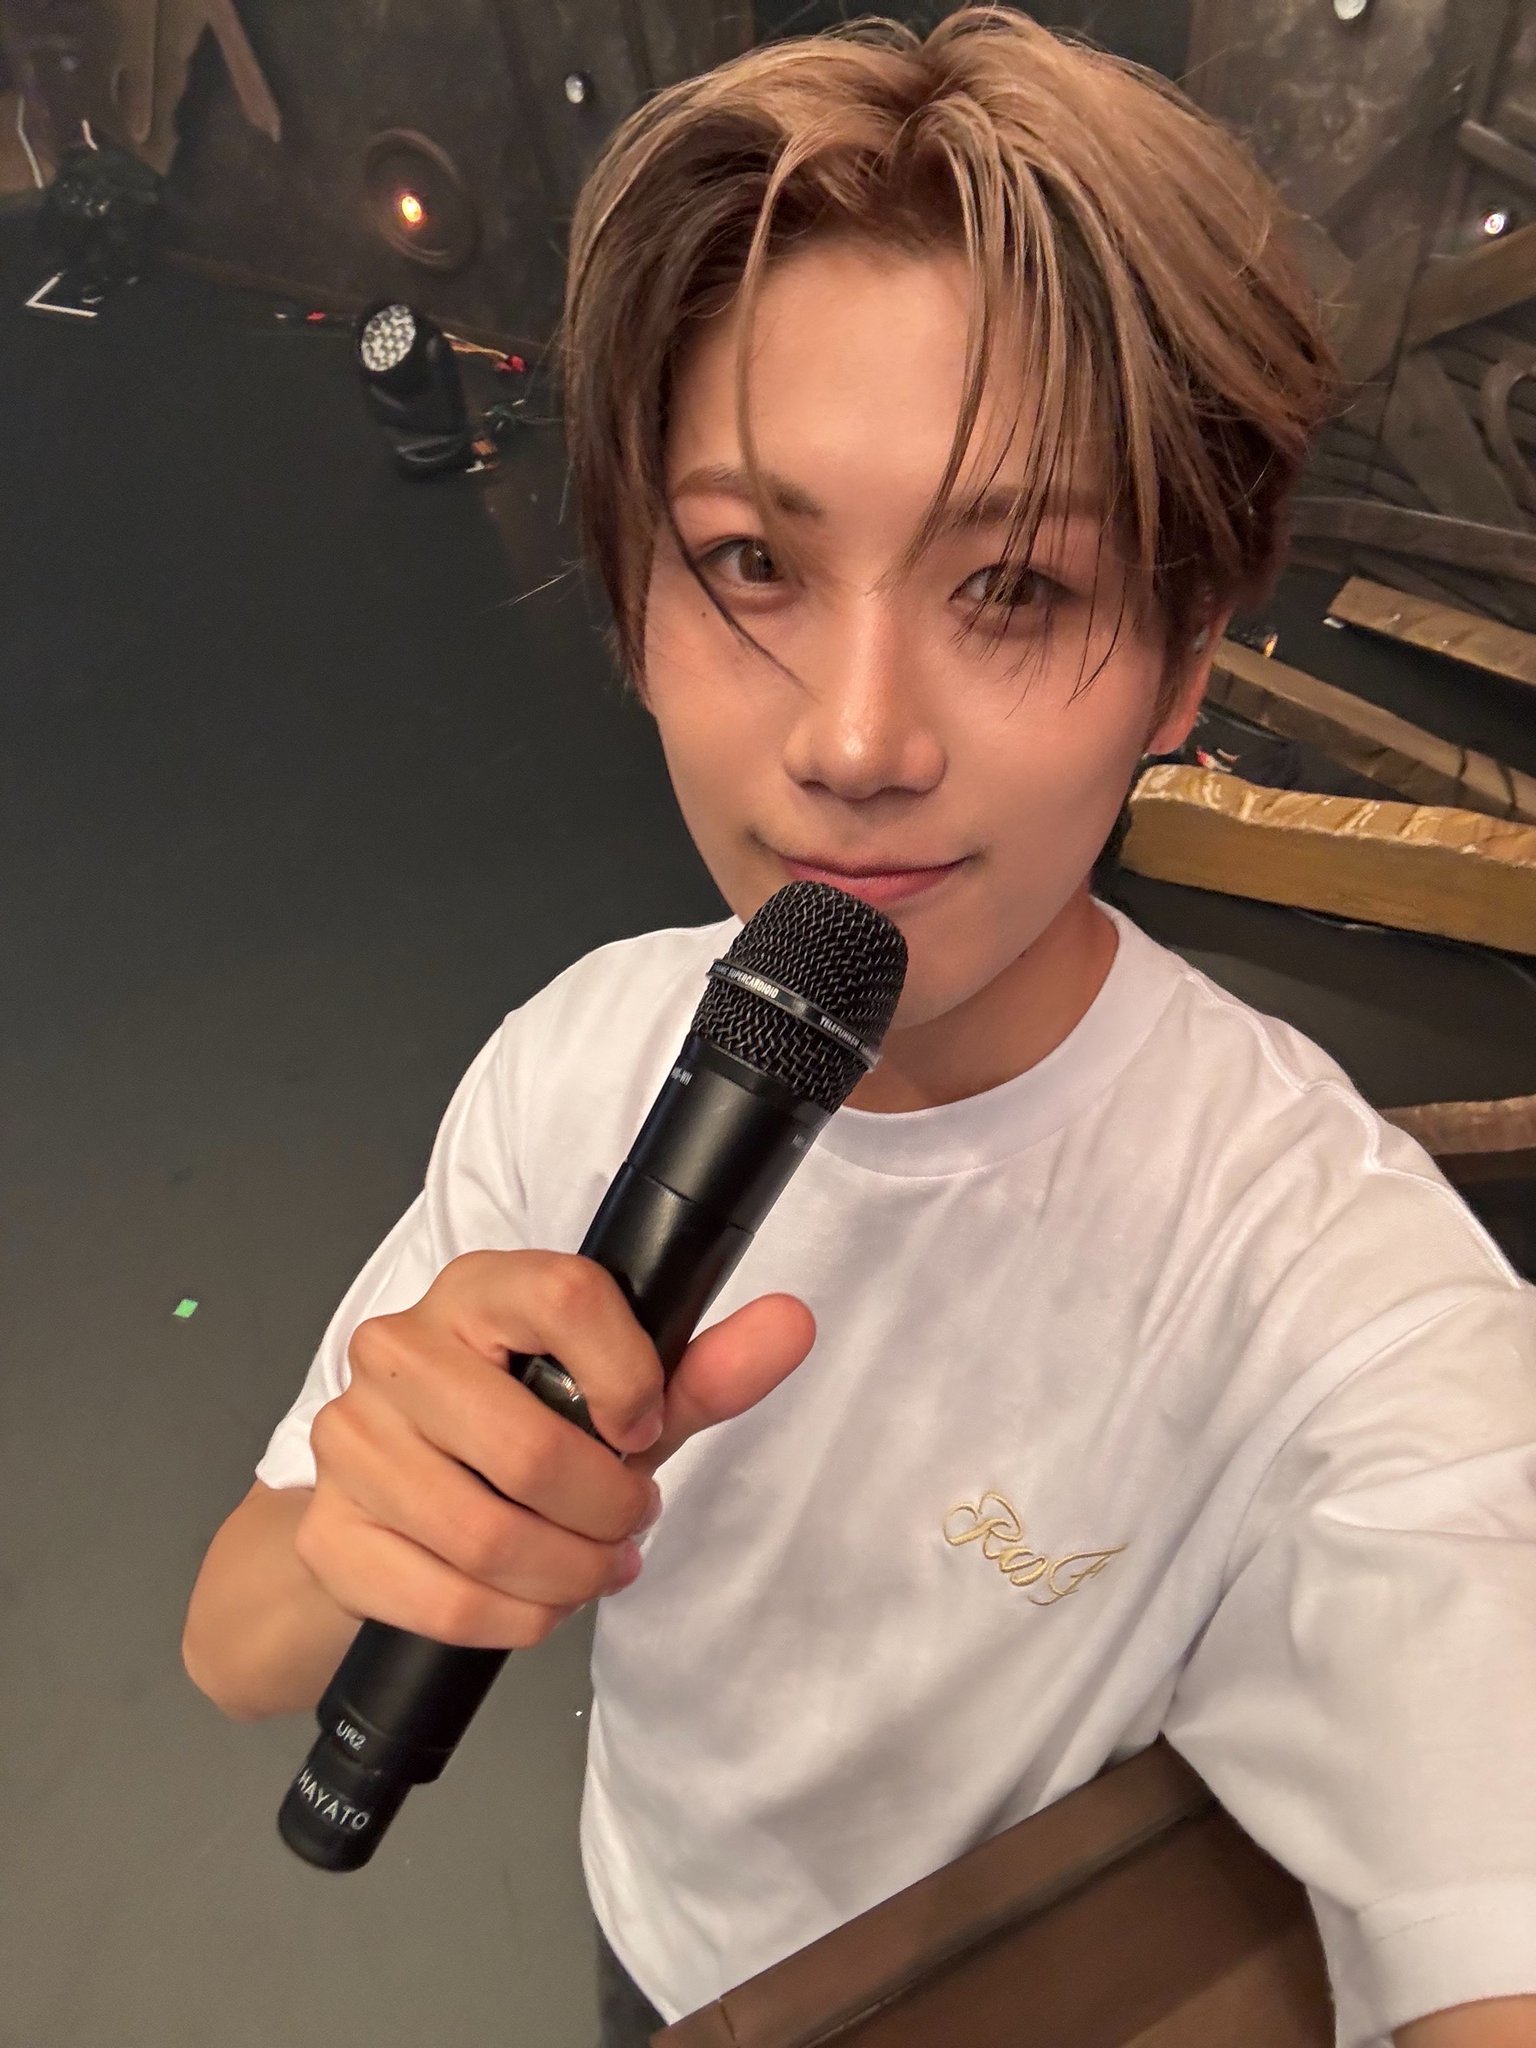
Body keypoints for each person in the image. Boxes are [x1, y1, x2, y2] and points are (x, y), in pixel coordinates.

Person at [181, 12, 1536, 2048]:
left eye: (1018, 585)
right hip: (659, 1949)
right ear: (635, 602)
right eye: (753, 561)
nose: (856, 740)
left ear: (1186, 660)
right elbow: (237, 1643)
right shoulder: (577, 1060)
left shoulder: (1330, 1282)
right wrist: (381, 1522)